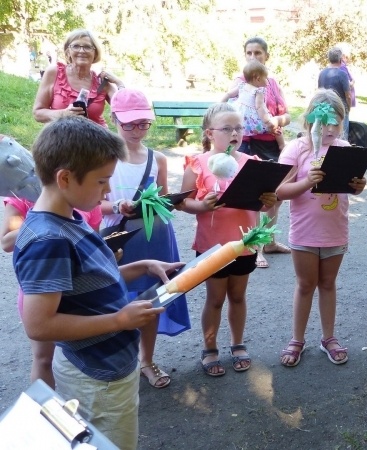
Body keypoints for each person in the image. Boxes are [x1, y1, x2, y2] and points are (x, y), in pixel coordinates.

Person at [13, 116, 181, 450]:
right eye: (102, 181)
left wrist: (142, 266)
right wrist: (119, 320)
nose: (107, 190)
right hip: (97, 377)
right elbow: (39, 325)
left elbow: (90, 278)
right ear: (64, 178)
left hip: (104, 365)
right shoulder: (49, 239)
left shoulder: (68, 219)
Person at [101, 88, 191, 389]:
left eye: (143, 124)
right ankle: (115, 363)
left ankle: (147, 361)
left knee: (150, 300)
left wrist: (175, 201)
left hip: (155, 234)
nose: (137, 130)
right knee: (111, 299)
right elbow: (87, 202)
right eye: (130, 124)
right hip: (117, 236)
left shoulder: (157, 158)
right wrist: (116, 206)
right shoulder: (103, 157)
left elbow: (164, 197)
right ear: (114, 119)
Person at [179, 103, 277, 376]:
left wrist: (269, 201)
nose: (234, 133)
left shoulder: (252, 164)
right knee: (215, 298)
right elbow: (183, 202)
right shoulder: (198, 163)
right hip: (212, 245)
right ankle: (209, 348)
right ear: (210, 133)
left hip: (244, 244)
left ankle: (237, 343)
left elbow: (266, 206)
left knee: (237, 295)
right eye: (227, 128)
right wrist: (202, 206)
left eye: (239, 128)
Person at [276, 90, 367, 367]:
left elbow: (353, 185)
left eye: (335, 123)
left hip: (335, 230)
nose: (328, 129)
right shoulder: (296, 149)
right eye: (322, 122)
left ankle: (328, 337)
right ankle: (297, 339)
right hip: (304, 232)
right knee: (305, 285)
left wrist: (358, 185)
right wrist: (307, 182)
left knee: (328, 284)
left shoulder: (344, 149)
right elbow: (280, 191)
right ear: (309, 121)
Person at [2, 167, 102, 389]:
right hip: (42, 289)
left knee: (77, 356)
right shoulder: (22, 196)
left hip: (78, 289)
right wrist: (50, 220)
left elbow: (93, 238)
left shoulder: (85, 197)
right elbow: (6, 241)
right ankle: (44, 414)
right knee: (44, 358)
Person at [229, 37, 293, 267]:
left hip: (270, 144)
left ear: (267, 56)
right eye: (249, 53)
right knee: (254, 198)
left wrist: (276, 119)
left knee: (274, 197)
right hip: (247, 143)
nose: (253, 57)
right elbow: (227, 112)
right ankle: (255, 247)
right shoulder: (240, 83)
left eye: (258, 53)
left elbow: (287, 115)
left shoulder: (272, 83)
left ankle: (269, 241)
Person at [32, 29, 125, 127]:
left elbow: (126, 108)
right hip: (60, 139)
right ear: (68, 51)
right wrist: (63, 114)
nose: (82, 51)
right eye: (76, 46)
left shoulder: (101, 82)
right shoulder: (54, 73)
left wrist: (119, 83)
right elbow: (38, 113)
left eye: (87, 47)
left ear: (95, 53)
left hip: (96, 139)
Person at [318, 47, 352, 138]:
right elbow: (348, 95)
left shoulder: (322, 73)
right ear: (340, 59)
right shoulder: (342, 74)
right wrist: (348, 108)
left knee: (324, 135)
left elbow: (319, 92)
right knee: (341, 135)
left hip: (324, 108)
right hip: (339, 108)